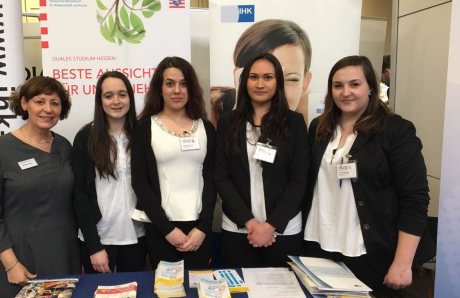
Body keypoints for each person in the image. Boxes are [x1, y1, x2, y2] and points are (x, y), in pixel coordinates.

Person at [303, 55, 435, 298]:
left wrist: (402, 263)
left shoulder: (395, 130)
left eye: (355, 84)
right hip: (318, 244)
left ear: (371, 88)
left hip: (369, 252)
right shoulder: (319, 128)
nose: (346, 92)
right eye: (338, 85)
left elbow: (415, 201)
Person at [0, 76, 81, 298]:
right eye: (40, 101)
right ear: (24, 104)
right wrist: (10, 264)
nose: (48, 109)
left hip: (65, 254)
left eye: (55, 103)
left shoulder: (64, 146)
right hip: (22, 260)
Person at [214, 53, 309, 268]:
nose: (260, 84)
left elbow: (299, 180)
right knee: (240, 291)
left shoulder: (294, 123)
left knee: (283, 293)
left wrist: (269, 226)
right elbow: (221, 177)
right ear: (244, 80)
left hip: (283, 228)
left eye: (268, 77)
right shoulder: (229, 122)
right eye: (253, 77)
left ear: (278, 82)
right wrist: (250, 223)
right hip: (239, 228)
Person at [131, 56, 216, 270]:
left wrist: (204, 227)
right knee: (167, 292)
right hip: (161, 229)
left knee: (199, 291)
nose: (177, 90)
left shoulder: (206, 128)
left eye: (183, 83)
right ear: (160, 88)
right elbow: (140, 183)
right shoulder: (144, 128)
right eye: (170, 83)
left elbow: (212, 179)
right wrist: (167, 230)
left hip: (199, 228)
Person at [72, 71, 146, 274]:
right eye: (108, 95)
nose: (116, 101)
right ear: (100, 100)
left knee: (133, 297)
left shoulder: (142, 134)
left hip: (136, 236)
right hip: (99, 237)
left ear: (130, 97)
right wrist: (94, 246)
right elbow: (80, 194)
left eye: (122, 94)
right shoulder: (86, 136)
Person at [210, 19, 313, 126]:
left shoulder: (307, 124)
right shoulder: (213, 112)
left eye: (291, 79)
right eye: (257, 77)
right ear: (238, 78)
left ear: (305, 83)